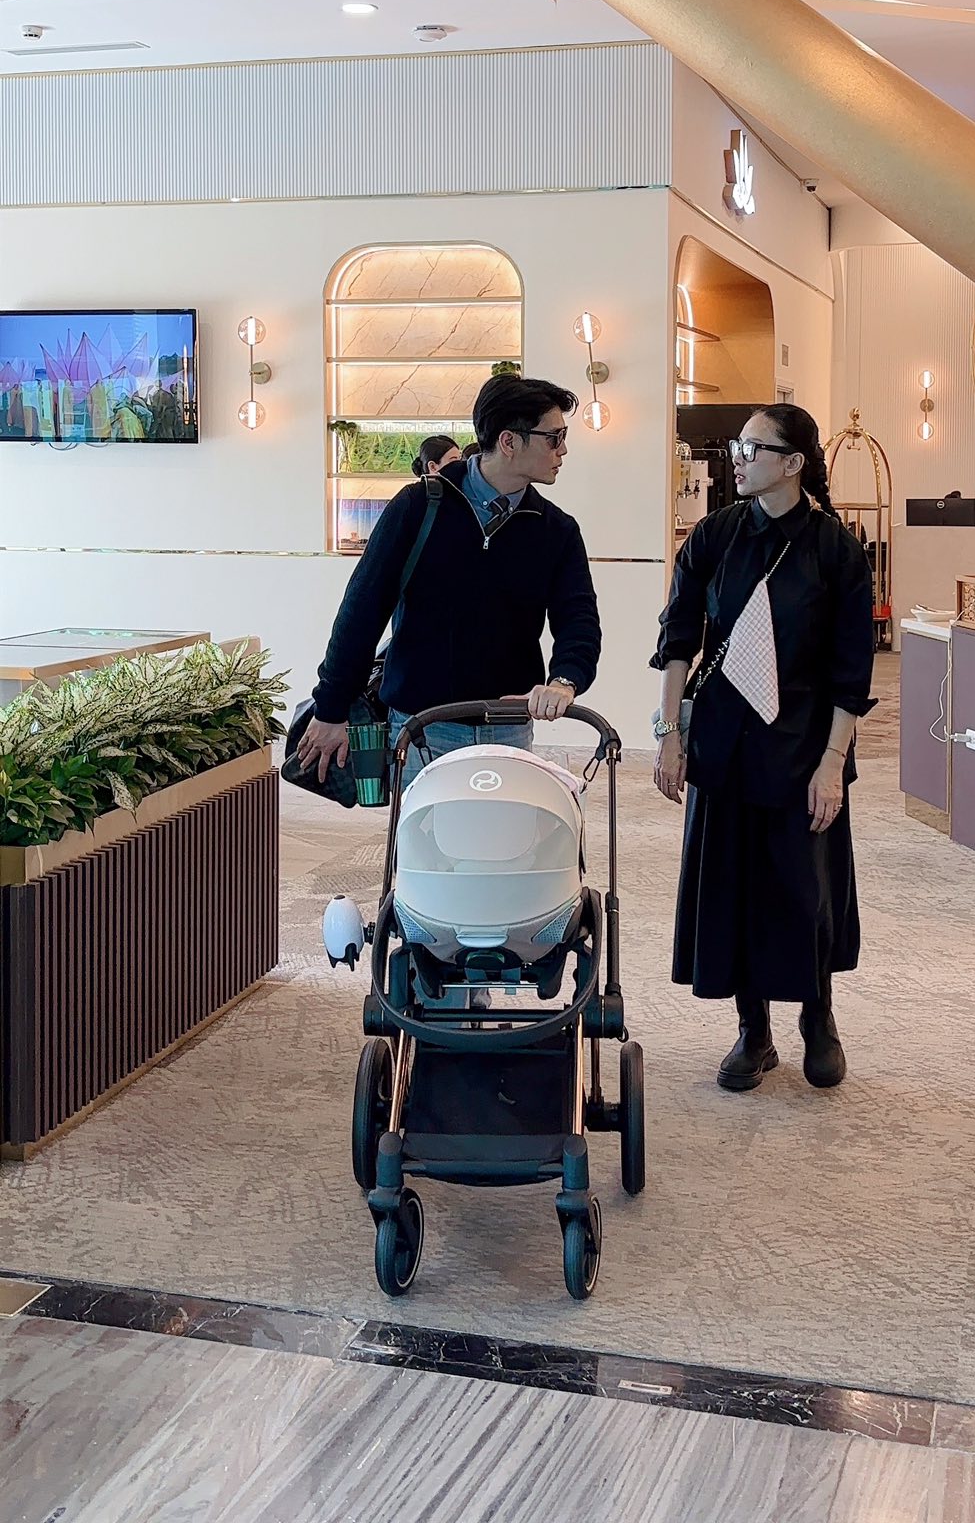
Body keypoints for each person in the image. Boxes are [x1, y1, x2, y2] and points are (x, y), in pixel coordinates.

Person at [651, 404, 875, 1093]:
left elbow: (852, 671)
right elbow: (678, 639)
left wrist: (832, 765)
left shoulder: (835, 550)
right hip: (725, 741)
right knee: (733, 885)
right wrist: (669, 734)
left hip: (806, 743)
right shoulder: (716, 535)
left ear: (793, 463)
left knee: (806, 888)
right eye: (737, 447)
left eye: (753, 448)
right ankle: (753, 1031)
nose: (738, 459)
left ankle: (818, 1019)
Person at [297, 375, 601, 791]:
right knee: (423, 836)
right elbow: (362, 610)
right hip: (421, 728)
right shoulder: (418, 506)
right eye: (554, 437)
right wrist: (331, 708)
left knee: (504, 835)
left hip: (508, 728)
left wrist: (565, 680)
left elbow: (579, 619)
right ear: (509, 441)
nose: (563, 450)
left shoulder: (556, 530)